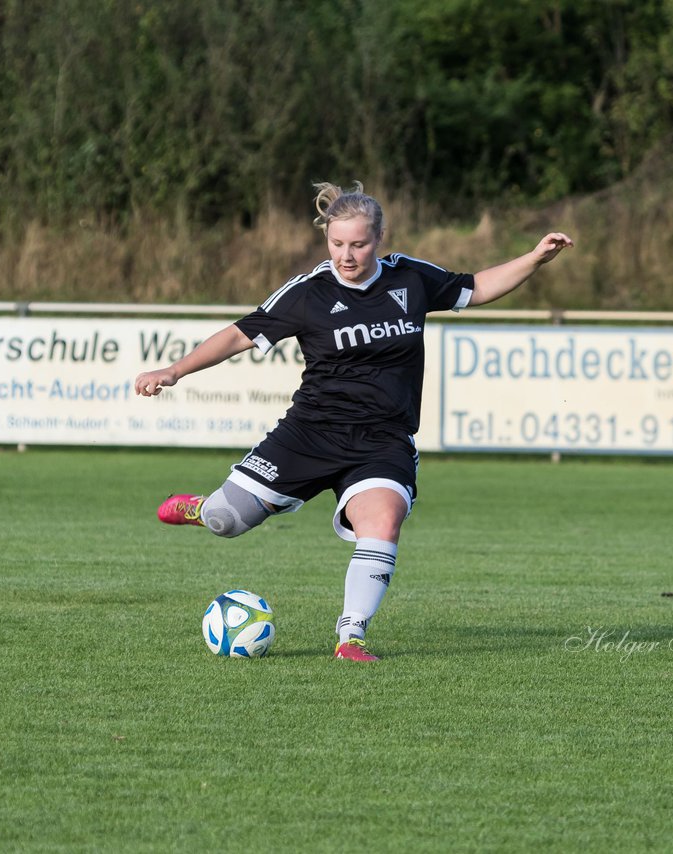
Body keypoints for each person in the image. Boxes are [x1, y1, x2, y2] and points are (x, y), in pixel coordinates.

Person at [134, 182, 572, 662]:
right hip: (310, 433)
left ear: (379, 237)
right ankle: (201, 508)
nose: (346, 255)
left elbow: (477, 287)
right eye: (337, 243)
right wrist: (173, 370)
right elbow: (240, 335)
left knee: (383, 520)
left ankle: (351, 636)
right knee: (226, 521)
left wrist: (534, 258)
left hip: (383, 439)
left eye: (358, 244)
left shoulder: (410, 279)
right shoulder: (308, 293)